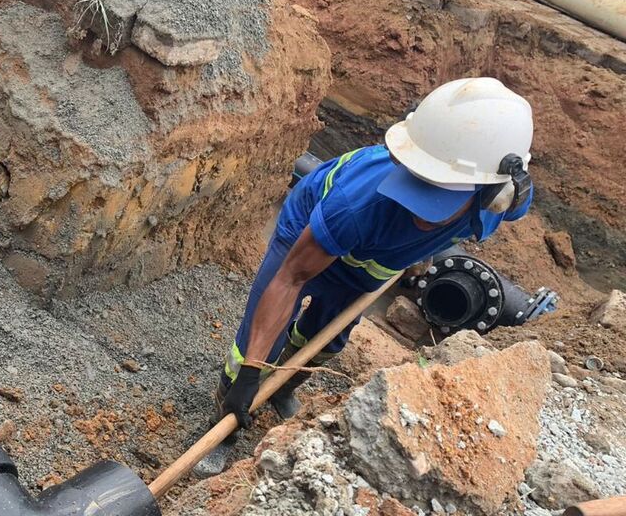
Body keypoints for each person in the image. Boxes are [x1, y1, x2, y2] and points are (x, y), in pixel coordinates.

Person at [195, 77, 536, 476]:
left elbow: (517, 198)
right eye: (418, 188)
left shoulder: (498, 202)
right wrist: (251, 371)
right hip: (311, 235)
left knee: (329, 337)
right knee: (257, 344)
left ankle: (284, 385)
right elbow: (291, 278)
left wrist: (416, 253)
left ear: (490, 194)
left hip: (371, 265)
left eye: (437, 199)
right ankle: (226, 425)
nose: (419, 214)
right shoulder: (357, 204)